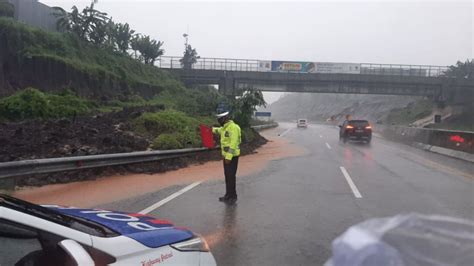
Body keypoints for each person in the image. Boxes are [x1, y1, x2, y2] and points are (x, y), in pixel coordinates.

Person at [212, 111, 241, 204]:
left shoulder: (234, 128)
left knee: (231, 177)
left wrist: (229, 157)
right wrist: (208, 129)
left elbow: (233, 144)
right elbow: (217, 130)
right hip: (226, 157)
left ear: (225, 119)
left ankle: (233, 196)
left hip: (232, 157)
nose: (219, 121)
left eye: (220, 119)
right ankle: (228, 195)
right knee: (227, 176)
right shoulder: (224, 128)